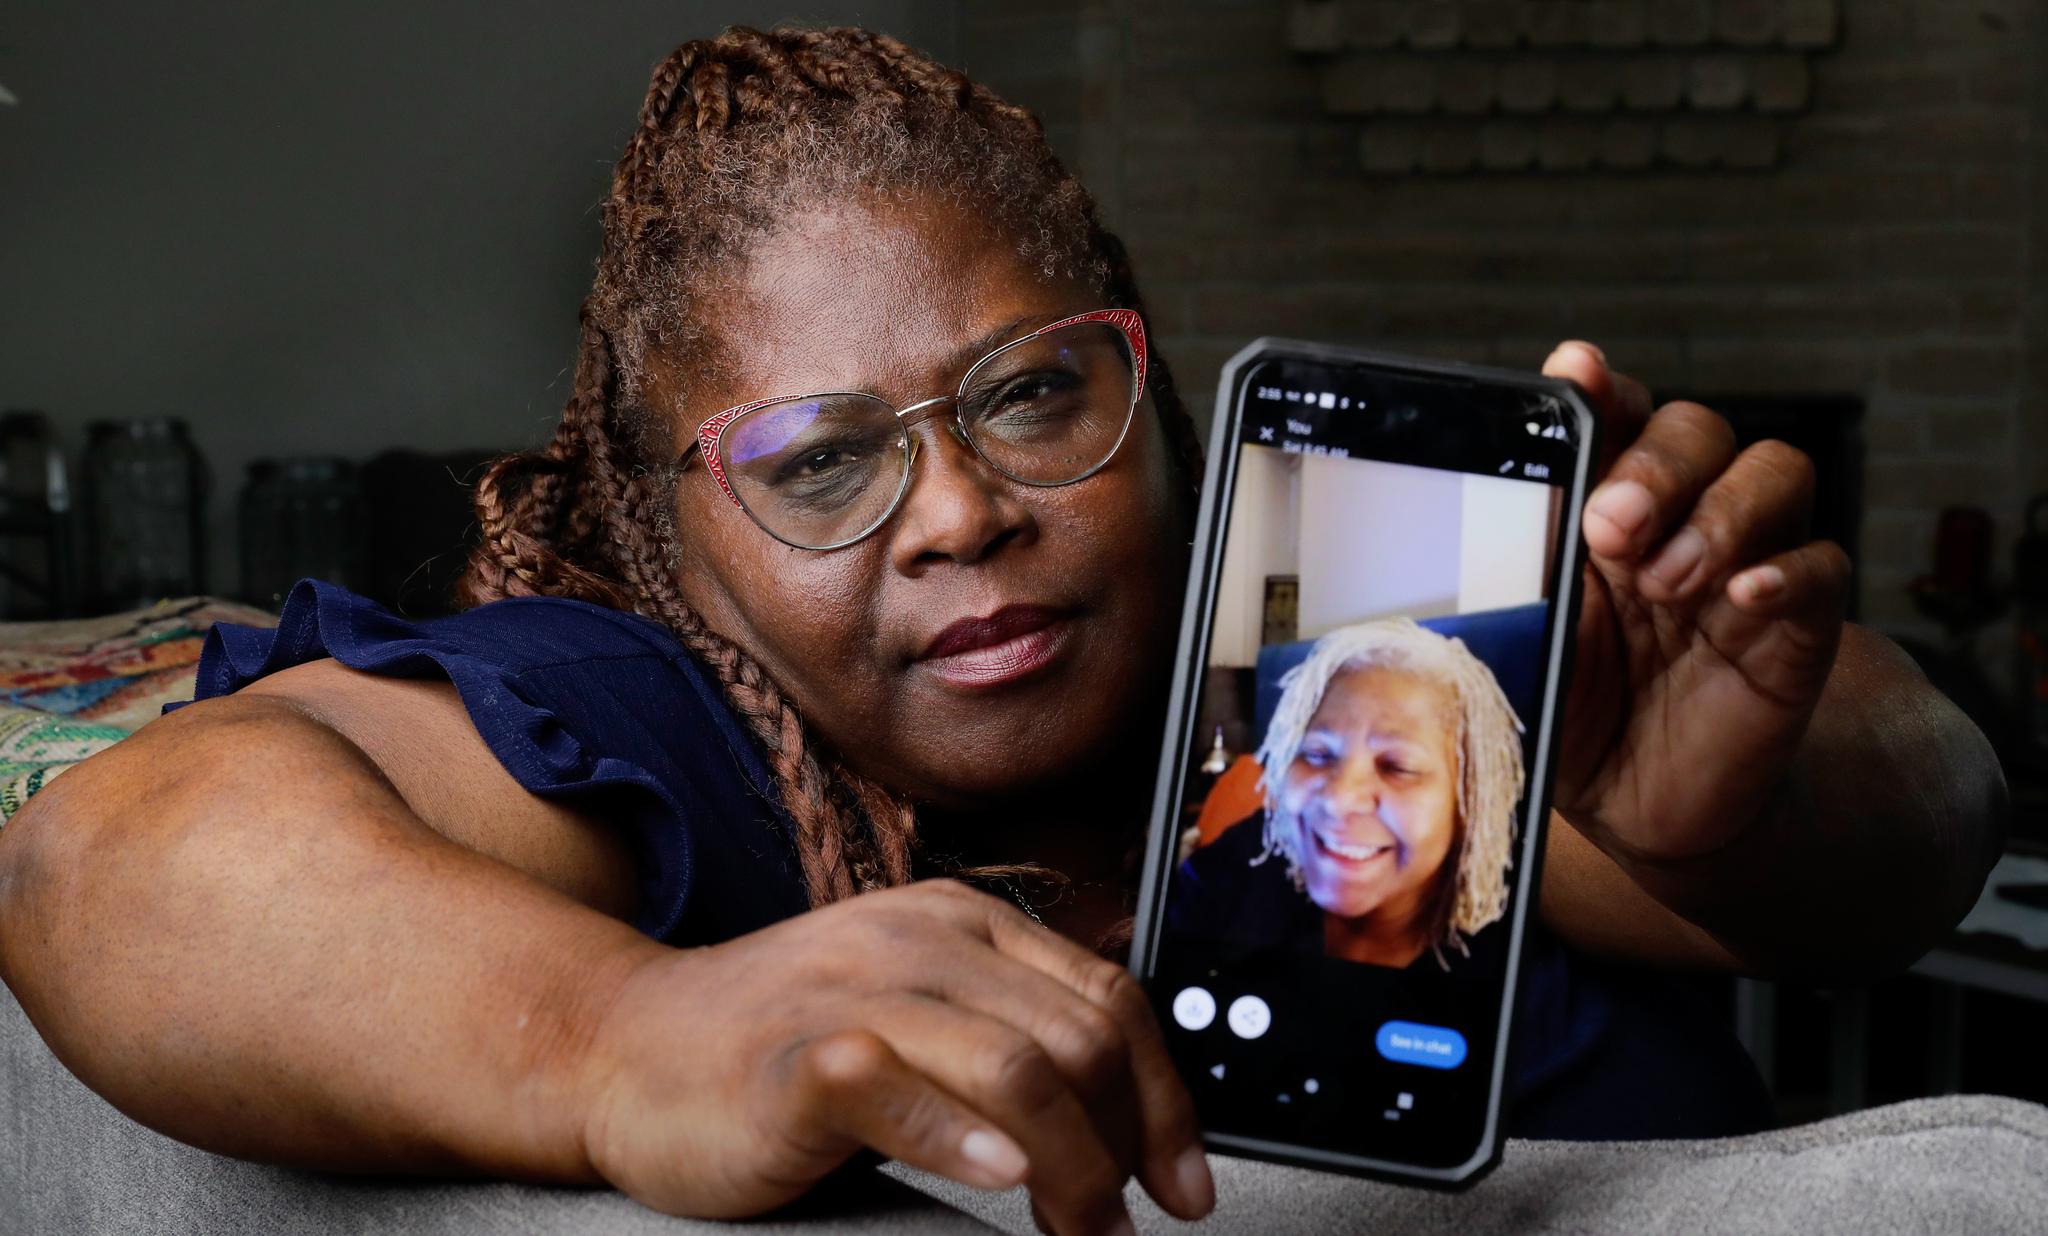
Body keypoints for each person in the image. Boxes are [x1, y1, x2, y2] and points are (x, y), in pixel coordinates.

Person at [0, 25, 2006, 1236]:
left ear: (1144, 373)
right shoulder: (659, 711)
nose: (961, 514)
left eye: (1033, 394)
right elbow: (123, 858)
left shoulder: (1329, 632)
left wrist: (1725, 800)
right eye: (817, 464)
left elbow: (1922, 831)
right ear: (672, 531)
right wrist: (616, 1033)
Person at [1175, 619, 1524, 970]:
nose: (1339, 799)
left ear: (1469, 800)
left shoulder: (1514, 975)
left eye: (1398, 766)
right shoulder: (1251, 859)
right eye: (1316, 754)